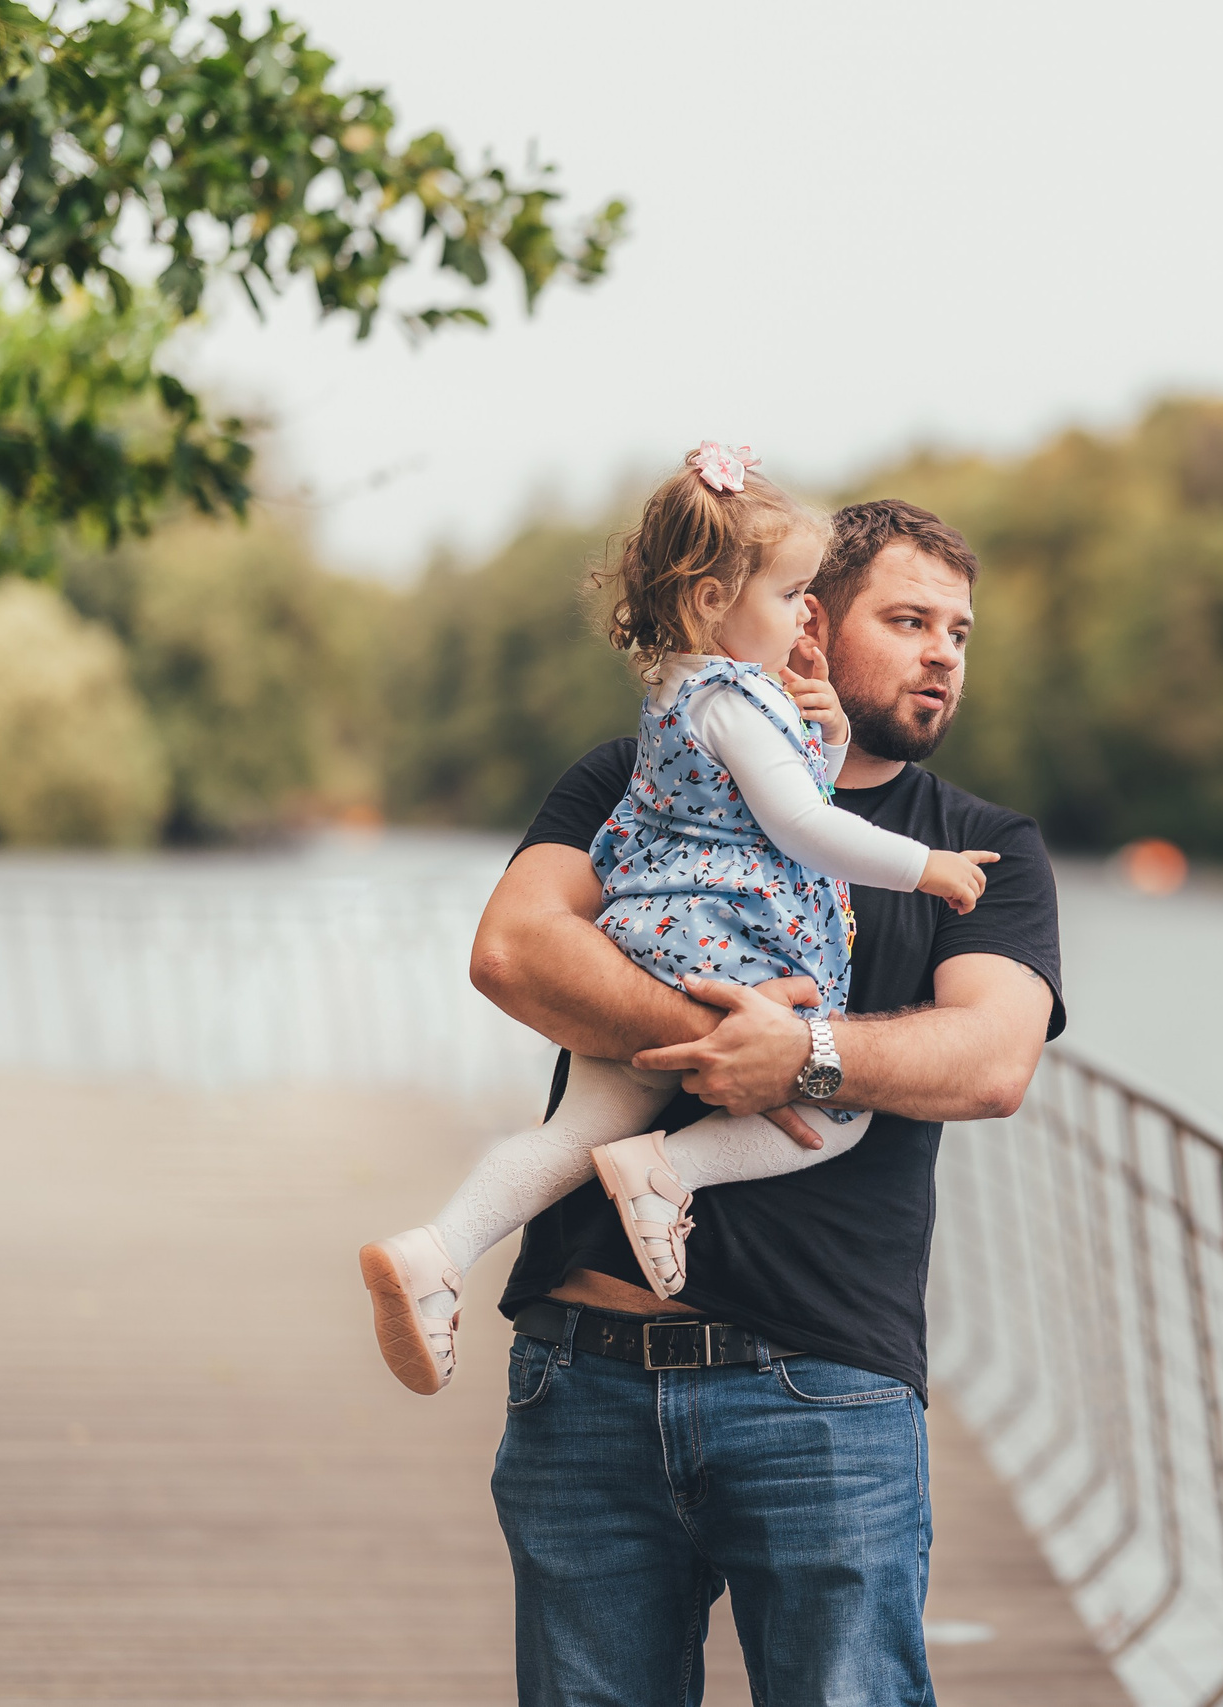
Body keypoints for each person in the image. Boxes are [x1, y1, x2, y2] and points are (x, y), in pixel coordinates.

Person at [468, 498, 1064, 1706]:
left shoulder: (980, 847)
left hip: (824, 1391)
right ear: (806, 626)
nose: (943, 651)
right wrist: (720, 1041)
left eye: (958, 629)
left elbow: (992, 1060)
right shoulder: (641, 774)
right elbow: (515, 952)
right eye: (906, 620)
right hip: (583, 1376)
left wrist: (803, 1056)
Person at [357, 446, 998, 1397]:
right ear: (711, 603)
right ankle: (669, 1171)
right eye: (791, 600)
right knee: (841, 1110)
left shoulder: (682, 695)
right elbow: (800, 824)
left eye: (958, 630)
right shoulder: (737, 701)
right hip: (727, 945)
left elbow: (993, 1064)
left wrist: (820, 730)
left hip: (647, 932)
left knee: (576, 1133)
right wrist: (925, 868)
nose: (799, 621)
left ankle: (438, 1250)